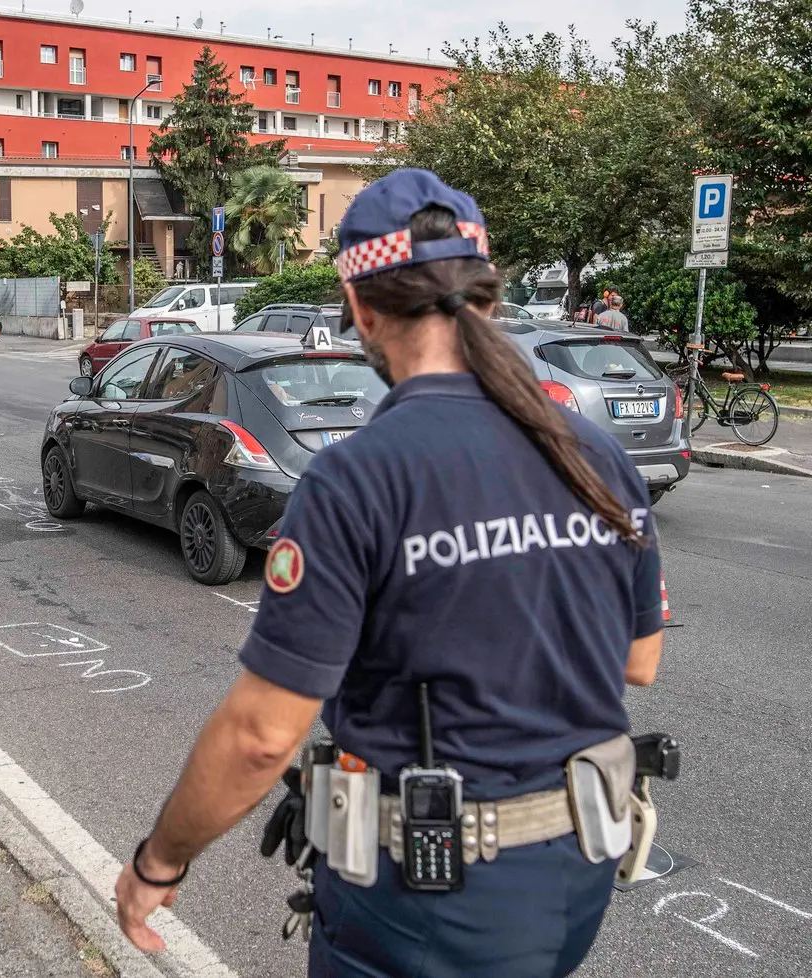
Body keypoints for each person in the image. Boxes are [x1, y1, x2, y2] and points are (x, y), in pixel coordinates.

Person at [114, 169, 664, 978]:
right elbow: (636, 661)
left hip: (429, 901)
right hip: (576, 872)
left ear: (362, 308)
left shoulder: (357, 478)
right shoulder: (598, 456)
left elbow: (264, 735)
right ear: (485, 291)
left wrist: (157, 863)